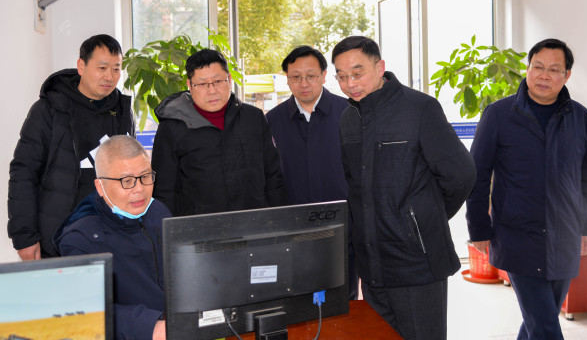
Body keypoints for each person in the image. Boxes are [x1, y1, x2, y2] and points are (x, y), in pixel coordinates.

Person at [333, 36, 476, 340]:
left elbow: (461, 174)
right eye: (341, 76)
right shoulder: (348, 118)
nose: (349, 84)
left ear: (380, 67)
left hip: (416, 262)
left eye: (357, 73)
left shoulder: (419, 108)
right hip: (372, 265)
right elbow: (355, 186)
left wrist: (422, 218)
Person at [466, 38, 587, 340]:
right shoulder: (499, 115)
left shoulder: (579, 117)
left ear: (566, 75)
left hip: (565, 236)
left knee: (540, 320)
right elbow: (477, 175)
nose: (544, 75)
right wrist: (479, 228)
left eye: (554, 69)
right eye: (538, 67)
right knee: (546, 328)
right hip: (518, 237)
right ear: (527, 69)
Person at [8, 34, 134, 260]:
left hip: (111, 233)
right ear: (81, 66)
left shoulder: (122, 111)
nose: (109, 76)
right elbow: (24, 172)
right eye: (102, 67)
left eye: (116, 69)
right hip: (57, 236)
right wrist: (24, 236)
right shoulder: (49, 109)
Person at [54, 135, 170, 340]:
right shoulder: (79, 239)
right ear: (100, 187)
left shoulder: (159, 211)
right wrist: (149, 326)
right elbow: (86, 314)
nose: (139, 189)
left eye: (145, 176)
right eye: (127, 181)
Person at [266, 45, 359, 299]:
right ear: (287, 79)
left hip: (344, 231)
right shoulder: (272, 120)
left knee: (343, 303)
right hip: (292, 234)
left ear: (324, 76)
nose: (303, 83)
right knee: (296, 306)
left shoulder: (350, 112)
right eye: (296, 77)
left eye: (311, 76)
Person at [151, 48, 286, 216]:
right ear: (189, 85)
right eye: (202, 84)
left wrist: (277, 221)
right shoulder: (172, 127)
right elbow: (164, 191)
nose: (212, 90)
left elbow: (273, 177)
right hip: (198, 228)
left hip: (253, 224)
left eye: (218, 81)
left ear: (229, 79)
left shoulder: (254, 118)